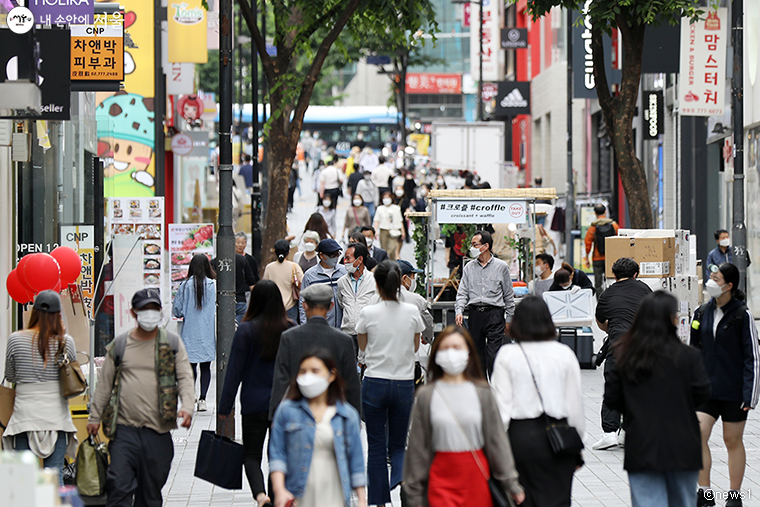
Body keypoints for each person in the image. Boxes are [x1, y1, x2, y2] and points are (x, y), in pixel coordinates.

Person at [87, 289, 195, 507]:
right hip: (124, 429)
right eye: (144, 310)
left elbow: (184, 375)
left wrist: (188, 406)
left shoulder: (172, 344)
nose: (149, 314)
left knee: (151, 493)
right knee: (118, 484)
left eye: (154, 309)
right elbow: (105, 384)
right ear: (133, 313)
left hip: (158, 431)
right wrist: (94, 417)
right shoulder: (120, 345)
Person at [605, 291, 711, 507]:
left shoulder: (623, 355)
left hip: (641, 444)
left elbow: (612, 400)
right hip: (683, 444)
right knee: (683, 502)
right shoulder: (688, 356)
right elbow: (703, 396)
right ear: (672, 319)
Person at [403, 326, 525, 507]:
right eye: (445, 348)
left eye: (457, 348)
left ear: (469, 353)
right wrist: (413, 493)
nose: (451, 354)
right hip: (440, 479)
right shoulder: (426, 396)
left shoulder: (482, 393)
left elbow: (496, 441)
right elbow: (417, 449)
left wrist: (511, 483)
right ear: (436, 354)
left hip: (476, 479)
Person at [491, 296, 584, 507]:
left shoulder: (507, 355)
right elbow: (574, 406)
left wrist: (497, 449)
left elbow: (501, 409)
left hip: (521, 437)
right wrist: (576, 445)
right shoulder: (565, 354)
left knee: (522, 499)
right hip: (559, 437)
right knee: (558, 500)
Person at [218, 281, 293, 507]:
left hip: (252, 403)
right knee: (277, 457)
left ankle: (261, 497)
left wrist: (224, 408)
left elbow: (234, 371)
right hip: (282, 404)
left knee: (251, 455)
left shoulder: (246, 330)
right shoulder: (290, 328)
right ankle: (276, 495)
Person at [691, 263, 760, 507]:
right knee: (697, 434)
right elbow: (694, 351)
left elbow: (752, 357)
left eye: (716, 278)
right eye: (710, 276)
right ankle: (705, 492)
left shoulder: (743, 315)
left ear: (729, 286)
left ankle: (734, 496)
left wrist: (749, 395)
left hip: (733, 391)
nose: (710, 281)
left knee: (732, 441)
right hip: (706, 389)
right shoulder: (701, 312)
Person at [357, 261, 424, 506]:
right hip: (403, 384)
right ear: (400, 283)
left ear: (376, 284)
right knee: (398, 444)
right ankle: (403, 481)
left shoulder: (367, 313)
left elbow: (363, 347)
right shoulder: (412, 312)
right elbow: (416, 346)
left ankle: (380, 502)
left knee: (376, 447)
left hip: (374, 382)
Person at [269, 351, 367, 507]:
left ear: (331, 375)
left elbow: (356, 460)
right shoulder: (287, 411)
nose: (308, 376)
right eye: (303, 371)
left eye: (315, 371)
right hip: (299, 495)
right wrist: (279, 489)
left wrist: (362, 499)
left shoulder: (346, 415)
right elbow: (277, 455)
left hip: (335, 494)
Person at [2, 291, 78, 478]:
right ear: (59, 315)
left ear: (34, 312)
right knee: (55, 477)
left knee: (23, 478)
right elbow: (73, 379)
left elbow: (10, 376)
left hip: (24, 418)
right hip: (56, 418)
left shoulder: (15, 339)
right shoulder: (65, 342)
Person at [271, 285, 361, 417]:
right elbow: (351, 384)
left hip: (297, 413)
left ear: (304, 306)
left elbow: (280, 380)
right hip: (332, 413)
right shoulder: (343, 340)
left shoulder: (289, 337)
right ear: (330, 306)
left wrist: (275, 416)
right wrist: (354, 418)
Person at [593, 257, 653, 450]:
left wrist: (613, 328)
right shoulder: (644, 289)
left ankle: (610, 434)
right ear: (635, 274)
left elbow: (601, 322)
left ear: (613, 274)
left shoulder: (606, 294)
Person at [454, 230, 514, 377]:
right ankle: (482, 390)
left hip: (495, 313)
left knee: (493, 355)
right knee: (477, 354)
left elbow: (508, 295)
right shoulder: (469, 267)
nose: (472, 248)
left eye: (475, 244)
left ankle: (497, 388)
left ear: (485, 246)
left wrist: (509, 319)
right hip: (475, 313)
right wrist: (459, 311)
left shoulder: (501, 267)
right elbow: (462, 292)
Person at [171, 254, 216, 412]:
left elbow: (176, 310)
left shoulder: (184, 286)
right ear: (207, 266)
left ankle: (192, 394)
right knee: (206, 367)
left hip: (189, 333)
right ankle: (203, 400)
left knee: (190, 368)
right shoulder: (214, 285)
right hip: (207, 333)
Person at [337, 243, 376, 355]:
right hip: (347, 333)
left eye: (348, 258)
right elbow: (341, 303)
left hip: (368, 333)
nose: (345, 261)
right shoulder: (341, 282)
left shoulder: (373, 281)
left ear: (359, 260)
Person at [299, 239, 347, 328]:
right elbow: (303, 303)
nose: (335, 258)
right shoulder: (310, 275)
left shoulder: (344, 272)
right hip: (320, 328)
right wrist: (305, 326)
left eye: (338, 254)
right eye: (332, 255)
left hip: (342, 327)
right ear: (321, 255)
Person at [263, 239, 305, 323]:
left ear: (275, 252)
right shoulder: (294, 267)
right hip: (290, 306)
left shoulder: (269, 267)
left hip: (273, 306)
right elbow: (303, 283)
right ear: (289, 251)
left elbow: (264, 287)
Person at [584, 204, 619, 298]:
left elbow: (588, 243)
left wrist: (587, 258)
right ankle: (611, 298)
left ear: (595, 213)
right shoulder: (614, 225)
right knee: (611, 280)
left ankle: (600, 301)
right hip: (611, 258)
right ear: (605, 212)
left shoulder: (593, 227)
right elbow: (620, 238)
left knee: (598, 283)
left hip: (597, 258)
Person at [396, 260, 434, 343]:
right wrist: (427, 337)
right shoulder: (416, 300)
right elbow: (428, 322)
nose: (414, 280)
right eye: (413, 276)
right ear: (405, 278)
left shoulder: (376, 298)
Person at [373, 191, 404, 262]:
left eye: (388, 197)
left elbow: (400, 220)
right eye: (384, 198)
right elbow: (376, 220)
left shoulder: (396, 208)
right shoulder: (380, 208)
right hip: (383, 229)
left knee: (393, 247)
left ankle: (392, 260)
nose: (386, 199)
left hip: (394, 230)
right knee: (384, 247)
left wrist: (403, 231)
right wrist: (375, 230)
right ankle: (385, 262)